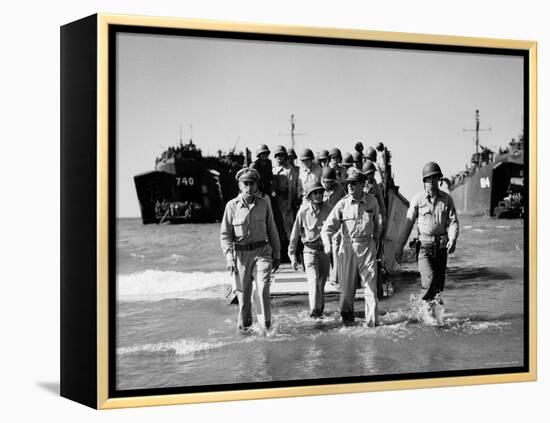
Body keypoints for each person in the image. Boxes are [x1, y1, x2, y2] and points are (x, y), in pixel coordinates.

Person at [220, 168, 281, 331]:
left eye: (252, 184)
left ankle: (266, 327)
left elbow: (272, 229)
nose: (249, 187)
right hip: (241, 256)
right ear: (239, 185)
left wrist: (277, 253)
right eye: (245, 184)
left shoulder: (264, 204)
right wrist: (229, 258)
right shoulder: (231, 207)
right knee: (244, 299)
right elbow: (225, 235)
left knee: (263, 288)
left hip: (262, 252)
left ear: (256, 185)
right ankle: (244, 330)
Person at [396, 161, 459, 309]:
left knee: (438, 289)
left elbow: (453, 222)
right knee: (429, 279)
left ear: (439, 180)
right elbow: (408, 224)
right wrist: (399, 248)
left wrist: (453, 239)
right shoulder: (418, 200)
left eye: (434, 178)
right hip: (424, 248)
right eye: (428, 179)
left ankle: (427, 312)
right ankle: (423, 307)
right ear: (424, 181)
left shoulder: (447, 199)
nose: (431, 182)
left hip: (442, 248)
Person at [321, 167, 380, 326]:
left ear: (362, 184)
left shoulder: (372, 202)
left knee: (370, 288)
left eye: (354, 183)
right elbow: (326, 228)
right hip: (347, 248)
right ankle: (347, 323)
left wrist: (376, 249)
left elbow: (377, 228)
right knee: (347, 292)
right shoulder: (342, 204)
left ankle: (372, 325)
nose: (350, 186)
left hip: (367, 246)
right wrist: (327, 244)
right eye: (348, 183)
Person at [288, 181, 331, 318]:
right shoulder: (303, 212)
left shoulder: (330, 210)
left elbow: (337, 231)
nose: (319, 195)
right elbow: (294, 235)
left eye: (320, 192)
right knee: (313, 282)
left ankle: (320, 312)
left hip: (324, 252)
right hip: (309, 251)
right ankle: (314, 313)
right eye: (315, 193)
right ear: (309, 196)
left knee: (321, 284)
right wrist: (293, 255)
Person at [321, 167, 347, 287]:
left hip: (336, 224)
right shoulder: (319, 190)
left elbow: (345, 204)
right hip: (322, 223)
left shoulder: (340, 190)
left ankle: (335, 276)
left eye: (330, 182)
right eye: (326, 182)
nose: (328, 185)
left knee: (335, 248)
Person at [272, 145, 294, 261]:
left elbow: (291, 188)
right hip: (276, 200)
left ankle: (290, 254)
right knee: (276, 227)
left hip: (286, 200)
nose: (280, 158)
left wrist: (289, 203)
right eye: (278, 155)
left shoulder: (289, 169)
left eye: (282, 155)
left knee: (288, 227)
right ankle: (279, 255)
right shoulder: (273, 169)